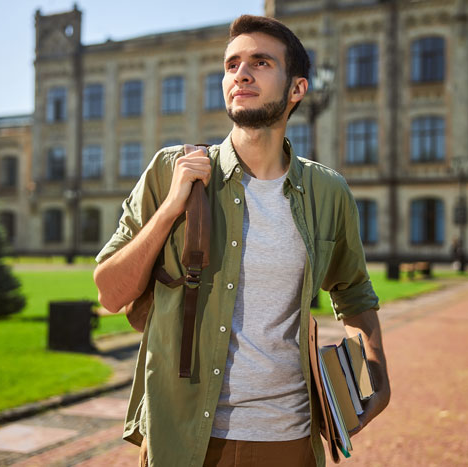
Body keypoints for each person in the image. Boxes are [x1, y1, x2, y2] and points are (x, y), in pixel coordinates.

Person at [93, 15, 390, 467]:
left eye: (261, 62)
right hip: (184, 437)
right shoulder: (170, 170)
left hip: (289, 439)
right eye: (232, 64)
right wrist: (172, 206)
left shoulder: (329, 192)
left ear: (297, 89)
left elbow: (353, 292)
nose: (241, 74)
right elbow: (110, 293)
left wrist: (378, 378)